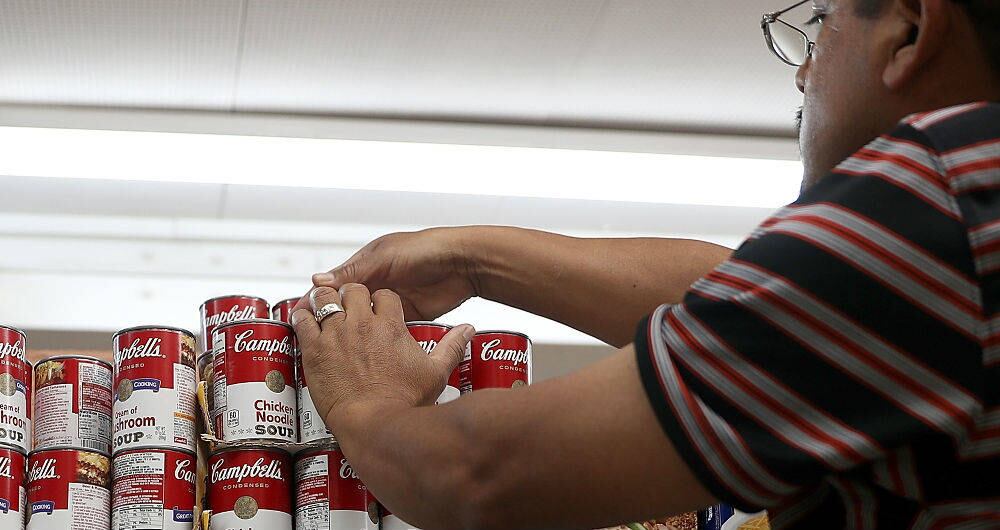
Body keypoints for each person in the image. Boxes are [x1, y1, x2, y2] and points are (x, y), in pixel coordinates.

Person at [289, 0, 1000, 527]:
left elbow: (480, 474)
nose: (804, 72)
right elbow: (753, 306)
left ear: (909, 24)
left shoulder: (939, 191)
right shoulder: (965, 220)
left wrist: (364, 402)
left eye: (820, 26)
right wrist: (472, 259)